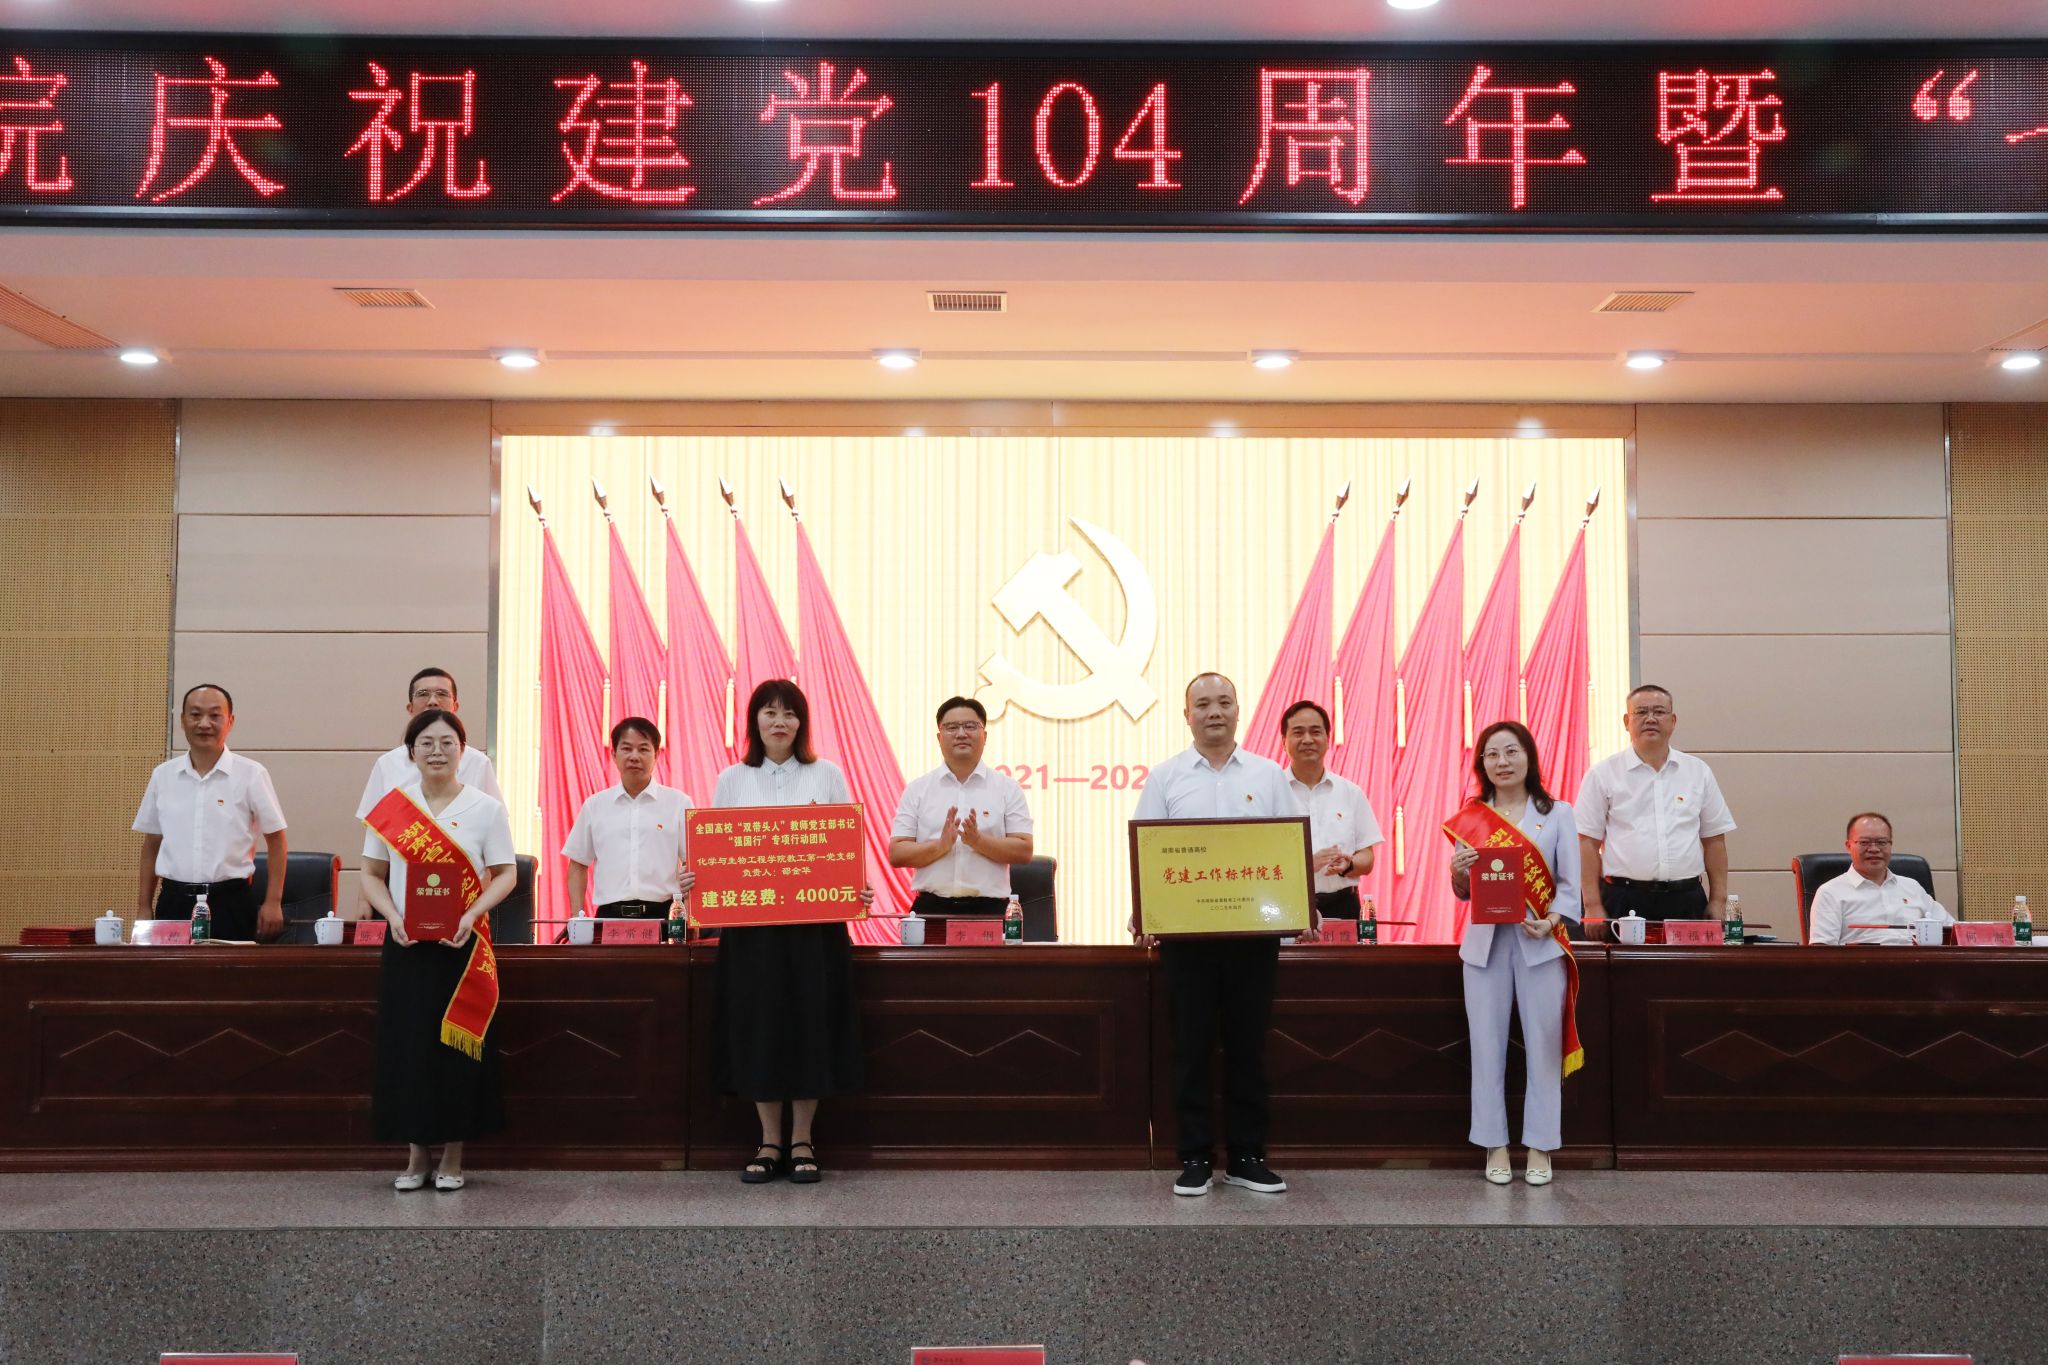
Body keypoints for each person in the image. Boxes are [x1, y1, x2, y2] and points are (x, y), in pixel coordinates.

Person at [1132, 672, 1304, 1198]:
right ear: (1186, 716)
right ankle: (1195, 1157)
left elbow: (1287, 849)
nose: (1214, 712)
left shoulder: (1269, 775)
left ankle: (1247, 1156)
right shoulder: (1165, 777)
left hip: (1253, 939)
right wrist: (1146, 914)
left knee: (1249, 1047)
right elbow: (1148, 854)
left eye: (1224, 702)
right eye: (1203, 704)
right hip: (1188, 942)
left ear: (1238, 710)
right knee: (1191, 1048)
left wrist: (1300, 907)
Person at [710, 679, 873, 1186]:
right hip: (752, 932)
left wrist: (858, 888)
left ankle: (803, 1140)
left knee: (810, 1028)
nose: (780, 722)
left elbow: (846, 846)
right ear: (754, 720)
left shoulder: (827, 774)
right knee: (758, 1027)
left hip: (814, 932)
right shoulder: (732, 779)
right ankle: (768, 1141)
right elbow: (716, 853)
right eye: (769, 712)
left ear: (802, 722)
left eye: (790, 713)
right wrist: (697, 878)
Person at [360, 708, 517, 1192]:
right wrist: (392, 916)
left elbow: (506, 873)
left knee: (456, 1051)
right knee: (409, 1049)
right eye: (426, 743)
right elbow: (371, 874)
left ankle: (453, 1155)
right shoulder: (392, 808)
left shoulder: (485, 809)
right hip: (406, 944)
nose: (437, 752)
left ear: (462, 751)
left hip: (463, 946)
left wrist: (471, 914)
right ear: (411, 752)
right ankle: (415, 1156)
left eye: (448, 743)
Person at [1448, 721, 1583, 1188]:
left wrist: (1552, 920)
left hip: (1539, 943)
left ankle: (1541, 1145)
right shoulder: (1472, 817)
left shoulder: (1558, 813)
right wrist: (1458, 873)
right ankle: (1494, 1144)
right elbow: (1464, 892)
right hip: (1485, 947)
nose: (1502, 762)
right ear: (1481, 764)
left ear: (1529, 757)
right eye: (1491, 754)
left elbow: (1569, 885)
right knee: (1486, 1047)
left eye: (1511, 751)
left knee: (1543, 1047)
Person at [133, 683, 288, 941]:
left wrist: (273, 901)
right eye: (195, 715)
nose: (204, 723)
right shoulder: (163, 776)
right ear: (182, 721)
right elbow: (152, 843)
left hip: (231, 902)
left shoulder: (251, 774)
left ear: (230, 721)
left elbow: (277, 840)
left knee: (232, 968)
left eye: (215, 715)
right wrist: (143, 906)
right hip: (173, 902)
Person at [1575, 684, 1737, 925]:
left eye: (1659, 712)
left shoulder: (1698, 771)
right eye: (1641, 712)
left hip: (1687, 899)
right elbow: (1587, 843)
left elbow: (1714, 840)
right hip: (1623, 898)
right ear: (1626, 721)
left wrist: (1718, 899)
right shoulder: (1602, 774)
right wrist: (1592, 904)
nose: (1650, 719)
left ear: (1673, 721)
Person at [888, 696, 1033, 920]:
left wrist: (978, 841)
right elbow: (897, 853)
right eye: (952, 727)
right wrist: (941, 846)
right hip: (932, 908)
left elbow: (1024, 850)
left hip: (990, 911)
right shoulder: (918, 789)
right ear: (939, 737)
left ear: (985, 736)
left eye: (970, 726)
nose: (961, 734)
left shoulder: (1007, 789)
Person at [563, 717, 695, 922]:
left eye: (643, 749)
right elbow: (578, 863)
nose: (634, 757)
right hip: (610, 917)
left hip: (664, 916)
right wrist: (576, 918)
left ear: (656, 755)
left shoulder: (679, 803)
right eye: (626, 749)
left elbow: (694, 862)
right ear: (614, 754)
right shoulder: (595, 806)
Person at [1279, 700, 1382, 921]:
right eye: (1298, 732)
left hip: (1343, 905)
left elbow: (1367, 857)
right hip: (1286, 904)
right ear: (1283, 741)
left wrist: (1350, 864)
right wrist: (1306, 865)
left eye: (1316, 732)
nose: (1308, 739)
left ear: (1327, 739)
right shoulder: (1272, 793)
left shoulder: (1351, 792)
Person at [354, 667, 502, 820]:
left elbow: (494, 819)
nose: (433, 702)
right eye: (423, 694)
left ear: (455, 707)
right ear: (410, 708)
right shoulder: (387, 764)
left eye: (442, 694)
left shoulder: (478, 763)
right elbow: (375, 824)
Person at [1808, 812, 1954, 946]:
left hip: (1916, 963)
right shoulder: (1830, 892)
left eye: (1881, 842)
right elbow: (1822, 950)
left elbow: (1953, 931)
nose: (1874, 849)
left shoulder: (1912, 887)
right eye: (1864, 842)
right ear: (1848, 846)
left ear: (1891, 845)